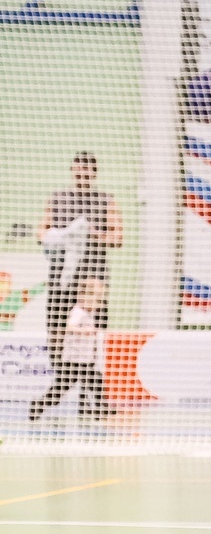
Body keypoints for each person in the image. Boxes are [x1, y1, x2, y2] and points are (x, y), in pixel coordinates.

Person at [36, 152, 122, 404]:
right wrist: (62, 235)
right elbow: (41, 232)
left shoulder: (106, 200)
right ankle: (61, 383)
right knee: (57, 331)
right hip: (61, 277)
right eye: (78, 171)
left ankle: (89, 396)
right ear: (72, 171)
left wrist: (89, 233)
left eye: (87, 172)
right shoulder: (58, 198)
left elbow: (117, 237)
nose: (82, 175)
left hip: (91, 281)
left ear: (94, 174)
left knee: (92, 335)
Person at [28, 278, 109, 421]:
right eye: (94, 300)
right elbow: (69, 326)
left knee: (96, 382)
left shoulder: (89, 313)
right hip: (73, 361)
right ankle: (38, 405)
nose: (96, 304)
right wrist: (82, 331)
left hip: (85, 360)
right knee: (60, 390)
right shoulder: (78, 312)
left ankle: (101, 409)